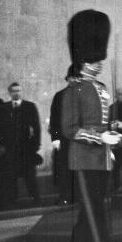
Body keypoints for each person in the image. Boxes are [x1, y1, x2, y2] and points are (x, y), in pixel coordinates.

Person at [62, 9, 122, 242]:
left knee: (90, 216)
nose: (98, 64)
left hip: (102, 159)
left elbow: (100, 122)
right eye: (92, 61)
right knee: (96, 215)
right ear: (81, 61)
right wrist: (100, 138)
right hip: (84, 159)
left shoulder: (100, 88)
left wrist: (113, 130)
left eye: (99, 60)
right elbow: (69, 129)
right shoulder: (73, 90)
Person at [0, 82, 42, 207]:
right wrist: (1, 145)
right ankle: (12, 201)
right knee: (11, 176)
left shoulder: (30, 106)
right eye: (14, 91)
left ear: (22, 92)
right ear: (9, 93)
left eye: (19, 90)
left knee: (30, 176)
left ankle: (36, 199)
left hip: (26, 148)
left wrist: (35, 146)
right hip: (10, 149)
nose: (17, 93)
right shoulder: (4, 108)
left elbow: (36, 128)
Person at [49, 65, 80, 205]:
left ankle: (79, 196)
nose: (74, 80)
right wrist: (55, 138)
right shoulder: (59, 96)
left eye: (77, 78)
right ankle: (65, 196)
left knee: (79, 168)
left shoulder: (83, 95)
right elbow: (54, 118)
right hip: (64, 138)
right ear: (68, 79)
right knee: (64, 168)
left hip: (80, 138)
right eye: (72, 78)